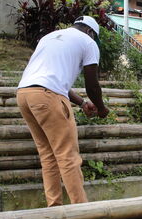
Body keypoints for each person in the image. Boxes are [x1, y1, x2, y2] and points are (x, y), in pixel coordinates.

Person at [16, 16, 110, 207]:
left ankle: (54, 207)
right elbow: (92, 84)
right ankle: (81, 210)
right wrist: (101, 108)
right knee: (68, 155)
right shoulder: (88, 42)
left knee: (48, 155)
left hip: (25, 94)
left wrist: (82, 103)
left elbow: (50, 77)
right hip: (48, 96)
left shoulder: (50, 37)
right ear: (91, 32)